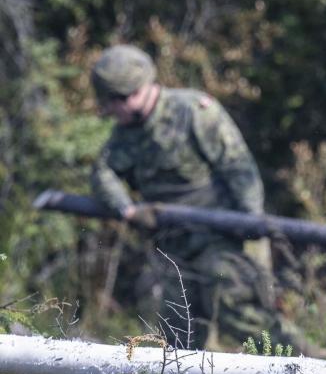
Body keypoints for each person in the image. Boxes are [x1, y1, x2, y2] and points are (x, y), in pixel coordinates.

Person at [90, 44, 282, 350]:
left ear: (135, 92)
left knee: (246, 317)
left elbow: (238, 168)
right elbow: (102, 173)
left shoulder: (193, 112)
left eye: (115, 102)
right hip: (175, 251)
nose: (109, 111)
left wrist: (249, 221)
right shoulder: (124, 135)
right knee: (178, 337)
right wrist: (127, 210)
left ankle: (315, 373)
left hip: (222, 240)